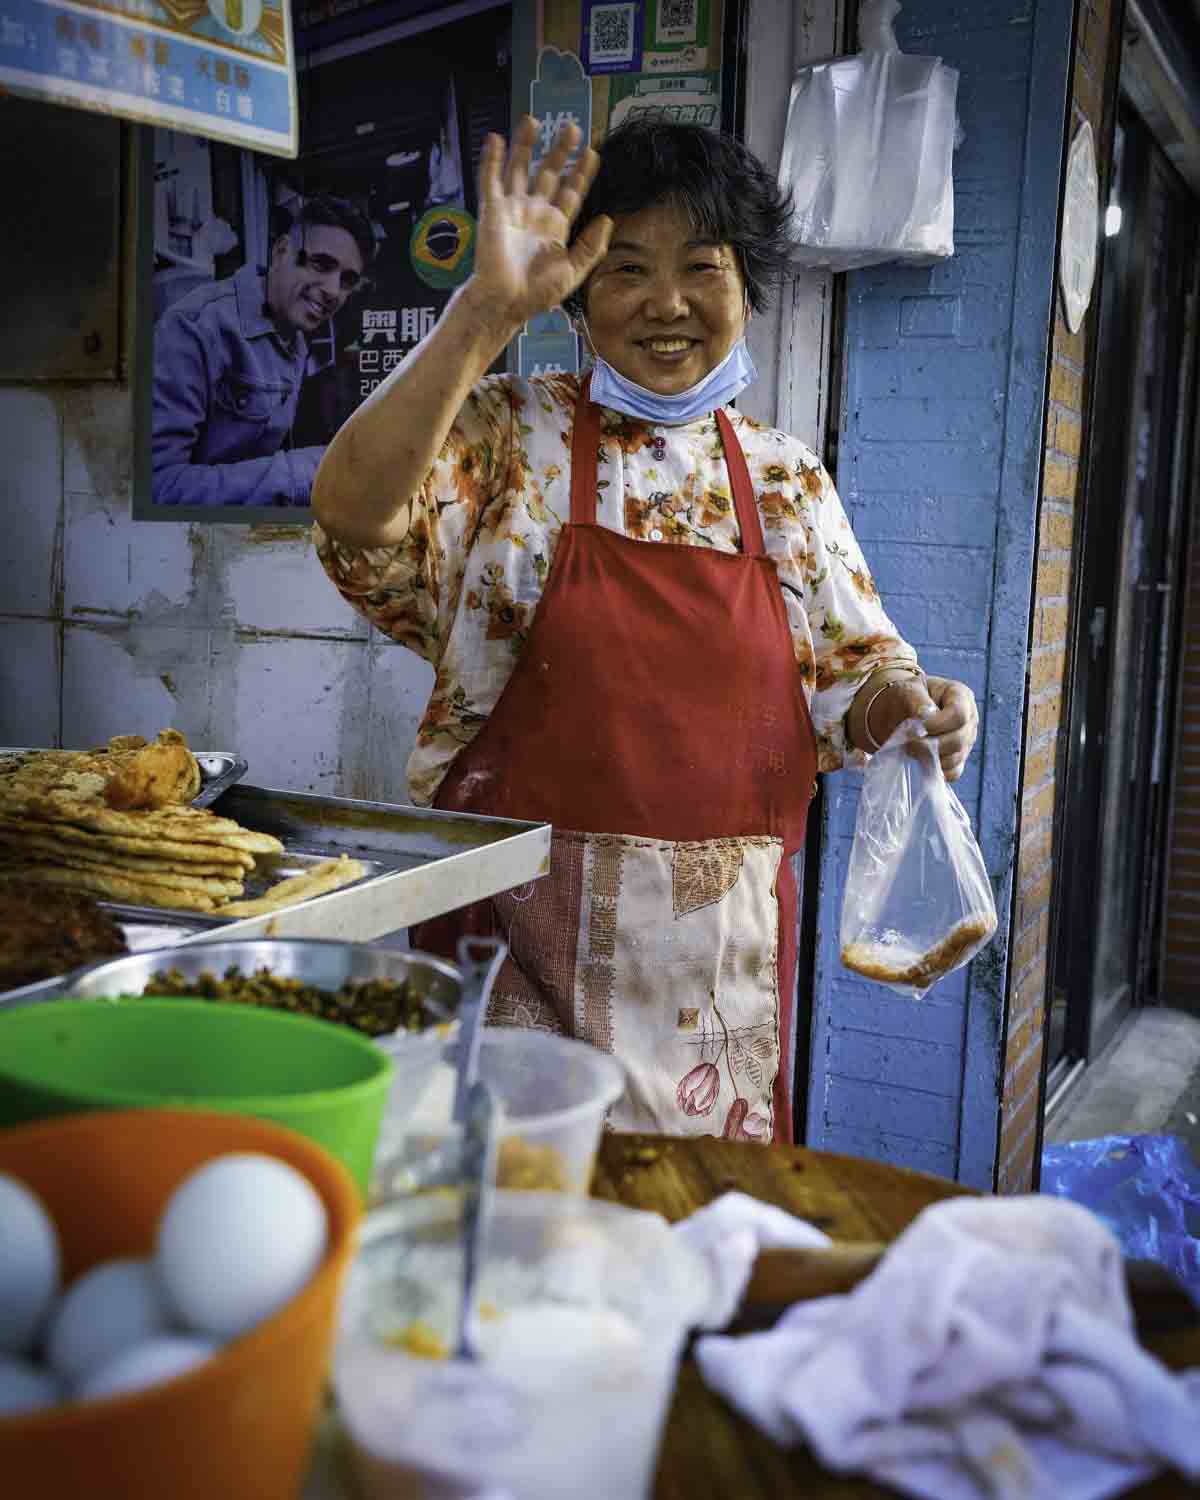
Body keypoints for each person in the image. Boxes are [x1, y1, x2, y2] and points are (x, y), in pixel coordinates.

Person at [312, 116, 979, 1142]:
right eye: (626, 269)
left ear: (746, 288)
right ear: (577, 294)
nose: (666, 304)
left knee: (695, 1247)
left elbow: (860, 673)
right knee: (511, 1238)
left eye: (701, 268)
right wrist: (484, 313)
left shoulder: (785, 479)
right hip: (509, 948)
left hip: (717, 993)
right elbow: (353, 516)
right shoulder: (505, 433)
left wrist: (918, 711)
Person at [152, 195, 374, 508]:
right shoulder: (195, 328)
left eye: (347, 281)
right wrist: (306, 471)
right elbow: (159, 487)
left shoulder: (296, 339)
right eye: (322, 264)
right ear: (281, 251)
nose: (333, 291)